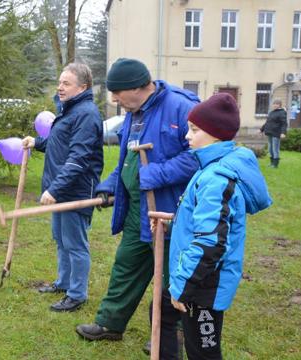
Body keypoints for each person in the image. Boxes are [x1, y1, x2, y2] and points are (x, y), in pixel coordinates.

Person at [75, 58, 200, 343]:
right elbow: (128, 160)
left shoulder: (182, 107)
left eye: (117, 93)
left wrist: (156, 174)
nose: (114, 99)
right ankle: (110, 323)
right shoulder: (133, 113)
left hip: (172, 210)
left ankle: (173, 333)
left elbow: (199, 156)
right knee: (126, 265)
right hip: (138, 210)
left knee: (174, 272)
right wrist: (109, 186)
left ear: (137, 87)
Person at [159, 93, 272, 358]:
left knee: (203, 353)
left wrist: (183, 288)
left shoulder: (216, 179)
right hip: (194, 278)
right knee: (166, 315)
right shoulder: (208, 168)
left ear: (216, 135)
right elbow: (202, 221)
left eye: (195, 130)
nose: (187, 136)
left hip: (202, 286)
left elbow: (210, 244)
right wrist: (171, 224)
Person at [22, 63, 103, 312]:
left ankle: (77, 294)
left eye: (66, 83)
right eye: (60, 82)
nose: (60, 87)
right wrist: (37, 142)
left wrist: (55, 189)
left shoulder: (86, 114)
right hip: (62, 189)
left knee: (75, 244)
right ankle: (64, 282)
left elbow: (78, 158)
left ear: (83, 87)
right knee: (61, 239)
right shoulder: (69, 110)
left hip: (75, 191)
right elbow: (60, 145)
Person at [260, 99, 287, 168]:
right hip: (270, 132)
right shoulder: (271, 112)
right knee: (270, 149)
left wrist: (283, 133)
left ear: (280, 105)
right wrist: (261, 130)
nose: (275, 105)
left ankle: (275, 164)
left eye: (276, 104)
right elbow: (267, 122)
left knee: (275, 149)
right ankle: (271, 163)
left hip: (276, 133)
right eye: (274, 104)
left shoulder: (282, 113)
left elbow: (284, 124)